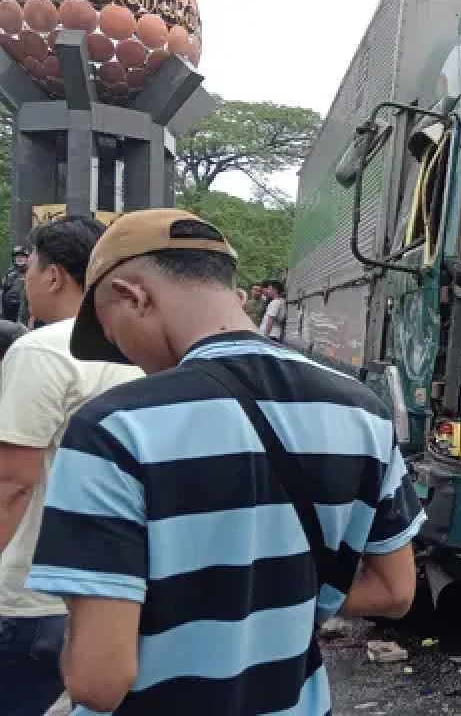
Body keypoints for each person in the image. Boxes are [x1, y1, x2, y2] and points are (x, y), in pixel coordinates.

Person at [24, 209, 425, 714]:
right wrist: (267, 597)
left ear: (133, 295)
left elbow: (98, 681)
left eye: (112, 331)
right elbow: (394, 591)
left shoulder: (113, 429)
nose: (123, 353)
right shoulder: (362, 411)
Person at [0, 216, 143, 716]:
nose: (28, 282)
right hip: (111, 592)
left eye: (31, 270)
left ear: (56, 276)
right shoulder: (137, 346)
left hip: (30, 594)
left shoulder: (41, 350)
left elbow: (11, 484)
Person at [1, 246, 28, 322]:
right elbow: (3, 292)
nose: (20, 258)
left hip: (26, 308)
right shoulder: (9, 274)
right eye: (17, 256)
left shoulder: (31, 273)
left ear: (27, 258)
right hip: (10, 309)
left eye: (22, 256)